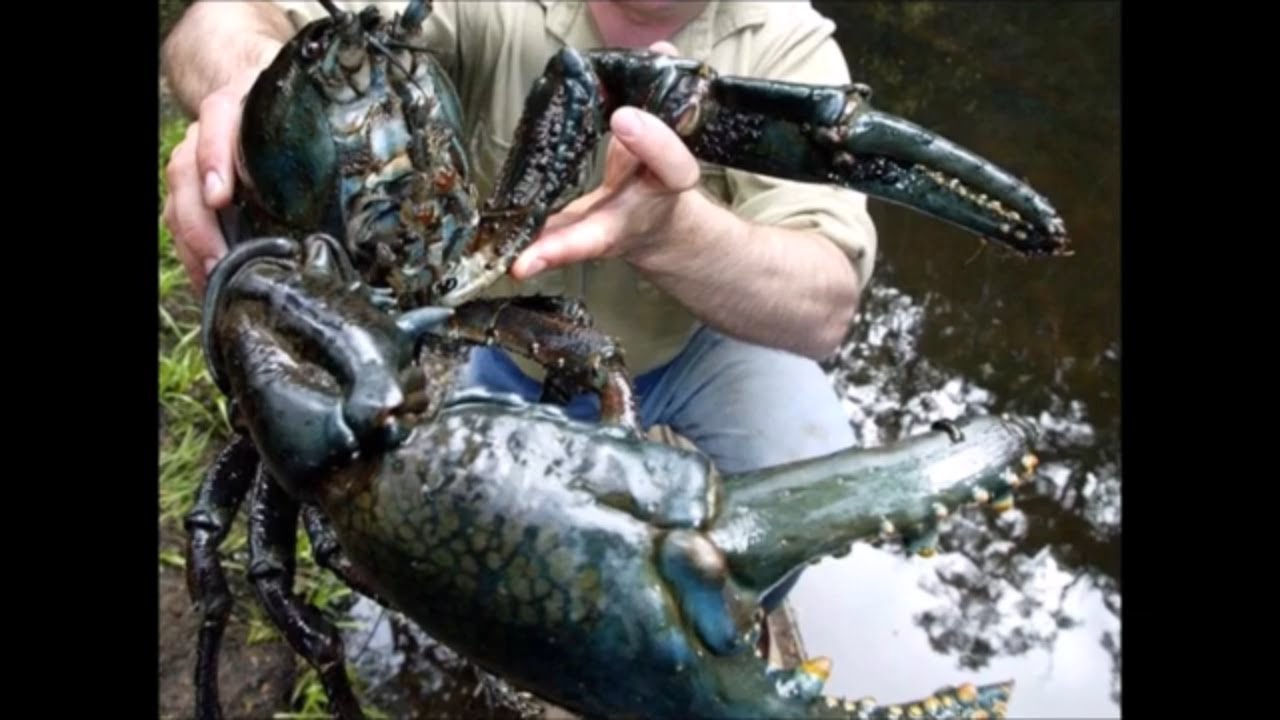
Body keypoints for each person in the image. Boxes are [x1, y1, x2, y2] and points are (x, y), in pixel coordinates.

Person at [161, 0, 876, 614]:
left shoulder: (788, 39)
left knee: (811, 466)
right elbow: (210, 19)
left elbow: (825, 304)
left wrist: (676, 234)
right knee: (462, 556)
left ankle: (731, 623)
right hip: (498, 338)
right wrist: (253, 87)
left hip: (700, 346)